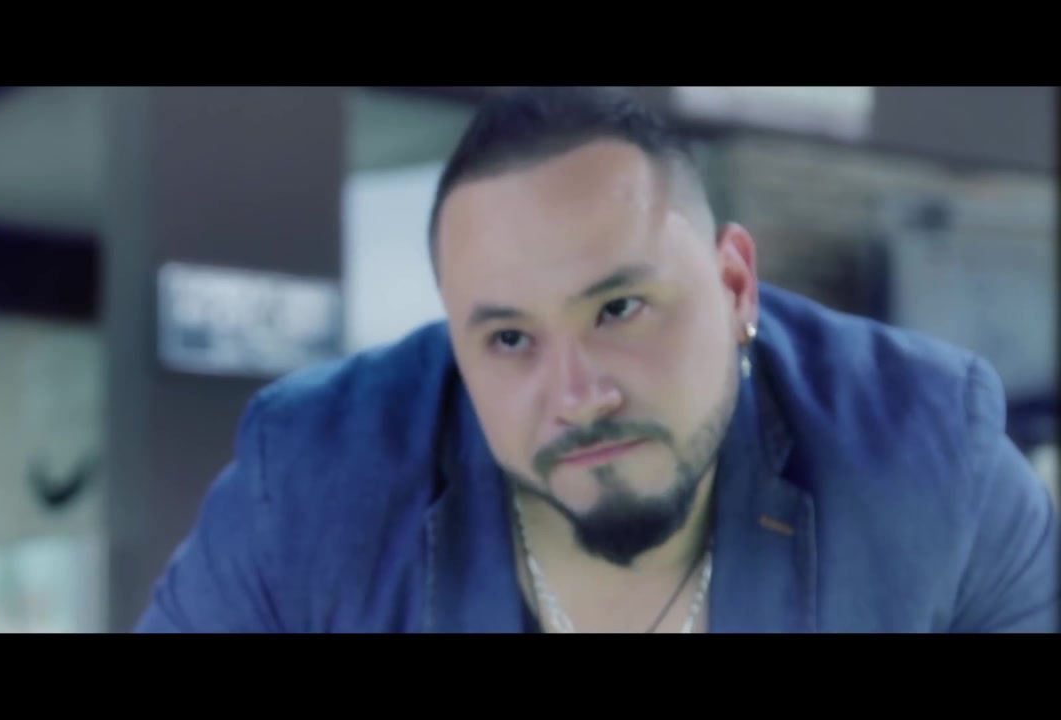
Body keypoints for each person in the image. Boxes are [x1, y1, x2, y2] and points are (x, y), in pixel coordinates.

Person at [135, 86, 1059, 633]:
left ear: (736, 285)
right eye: (509, 339)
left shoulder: (935, 464)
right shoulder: (310, 484)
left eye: (619, 308)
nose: (577, 395)